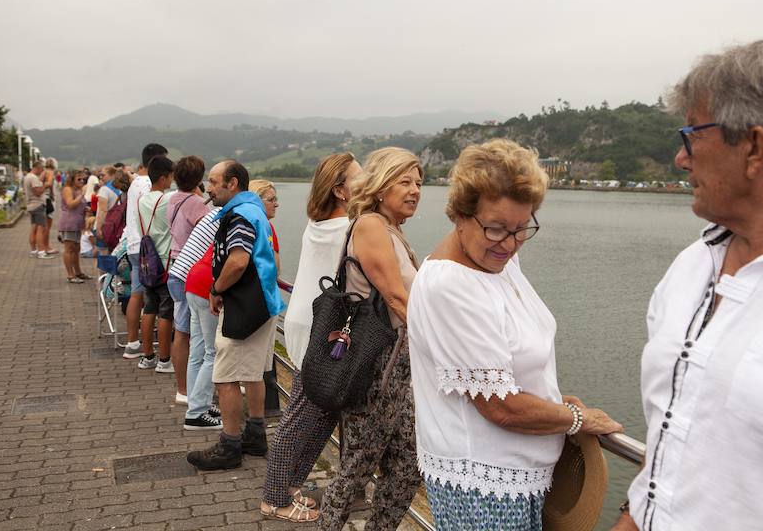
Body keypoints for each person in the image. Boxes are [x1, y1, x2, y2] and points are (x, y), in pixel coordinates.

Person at [610, 40, 763, 531]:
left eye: (690, 135)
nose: (680, 158)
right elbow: (672, 446)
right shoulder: (691, 267)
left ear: (754, 147)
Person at [407, 139, 622, 530]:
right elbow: (501, 406)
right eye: (496, 228)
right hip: (483, 489)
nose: (509, 243)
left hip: (518, 476)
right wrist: (575, 418)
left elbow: (511, 357)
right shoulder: (452, 285)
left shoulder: (499, 260)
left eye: (522, 228)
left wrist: (550, 399)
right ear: (459, 215)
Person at [318, 147, 422, 531]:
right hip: (377, 365)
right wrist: (444, 346)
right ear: (380, 186)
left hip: (399, 366)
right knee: (358, 465)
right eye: (404, 181)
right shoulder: (370, 226)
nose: (414, 190)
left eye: (419, 182)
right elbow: (396, 297)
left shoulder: (392, 229)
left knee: (409, 463)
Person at [261, 153, 361, 522]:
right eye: (359, 178)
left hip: (309, 320)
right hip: (323, 326)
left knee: (321, 413)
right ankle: (274, 498)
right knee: (302, 415)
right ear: (340, 190)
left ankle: (289, 486)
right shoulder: (345, 229)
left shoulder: (319, 223)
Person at [186, 160, 284, 470]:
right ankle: (255, 434)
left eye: (213, 182)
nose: (208, 188)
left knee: (225, 376)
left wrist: (216, 289)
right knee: (253, 373)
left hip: (244, 307)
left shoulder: (239, 215)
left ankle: (229, 445)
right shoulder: (257, 212)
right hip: (265, 304)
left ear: (233, 183)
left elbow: (238, 261)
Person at [166, 156, 211, 404]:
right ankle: (191, 391)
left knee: (181, 331)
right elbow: (212, 228)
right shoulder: (195, 203)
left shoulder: (173, 199)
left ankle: (182, 388)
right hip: (191, 271)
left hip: (175, 265)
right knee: (196, 333)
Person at [172, 208, 223, 430]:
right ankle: (196, 413)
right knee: (212, 352)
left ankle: (196, 404)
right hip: (204, 287)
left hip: (191, 279)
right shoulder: (241, 221)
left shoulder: (223, 215)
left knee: (198, 350)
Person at [120, 144, 168, 360]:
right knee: (142, 298)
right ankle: (134, 344)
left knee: (139, 295)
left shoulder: (134, 184)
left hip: (135, 243)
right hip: (147, 248)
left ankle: (134, 342)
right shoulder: (147, 184)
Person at [136, 155, 176, 373]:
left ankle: (147, 355)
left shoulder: (142, 199)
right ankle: (164, 360)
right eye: (170, 176)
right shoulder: (167, 199)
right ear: (163, 178)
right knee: (166, 312)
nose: (172, 180)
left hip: (147, 264)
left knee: (149, 308)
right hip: (164, 263)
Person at [58, 171, 91, 283]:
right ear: (72, 180)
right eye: (79, 179)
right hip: (69, 223)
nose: (82, 181)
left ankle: (78, 272)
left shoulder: (78, 190)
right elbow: (70, 204)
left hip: (77, 223)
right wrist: (82, 195)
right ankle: (70, 275)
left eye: (83, 179)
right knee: (69, 249)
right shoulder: (68, 189)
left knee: (76, 248)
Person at [23, 160, 55, 259]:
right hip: (37, 205)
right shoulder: (33, 178)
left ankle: (34, 250)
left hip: (31, 205)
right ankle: (41, 252)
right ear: (37, 167)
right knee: (41, 229)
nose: (42, 172)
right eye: (41, 169)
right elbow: (38, 192)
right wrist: (46, 185)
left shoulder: (27, 176)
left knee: (33, 228)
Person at [247, 179, 281, 272]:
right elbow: (275, 269)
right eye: (271, 200)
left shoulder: (238, 220)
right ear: (255, 201)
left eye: (276, 200)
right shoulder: (262, 226)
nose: (276, 204)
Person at [94, 165, 120, 254]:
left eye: (103, 175)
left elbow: (103, 210)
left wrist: (98, 228)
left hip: (104, 226)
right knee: (113, 254)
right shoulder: (120, 189)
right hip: (115, 226)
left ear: (112, 175)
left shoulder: (104, 190)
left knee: (103, 255)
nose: (101, 177)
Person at [43, 158, 60, 255]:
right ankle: (46, 246)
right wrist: (53, 196)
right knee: (47, 226)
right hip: (49, 200)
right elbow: (50, 186)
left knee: (43, 226)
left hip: (44, 199)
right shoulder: (51, 173)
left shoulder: (44, 172)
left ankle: (43, 246)